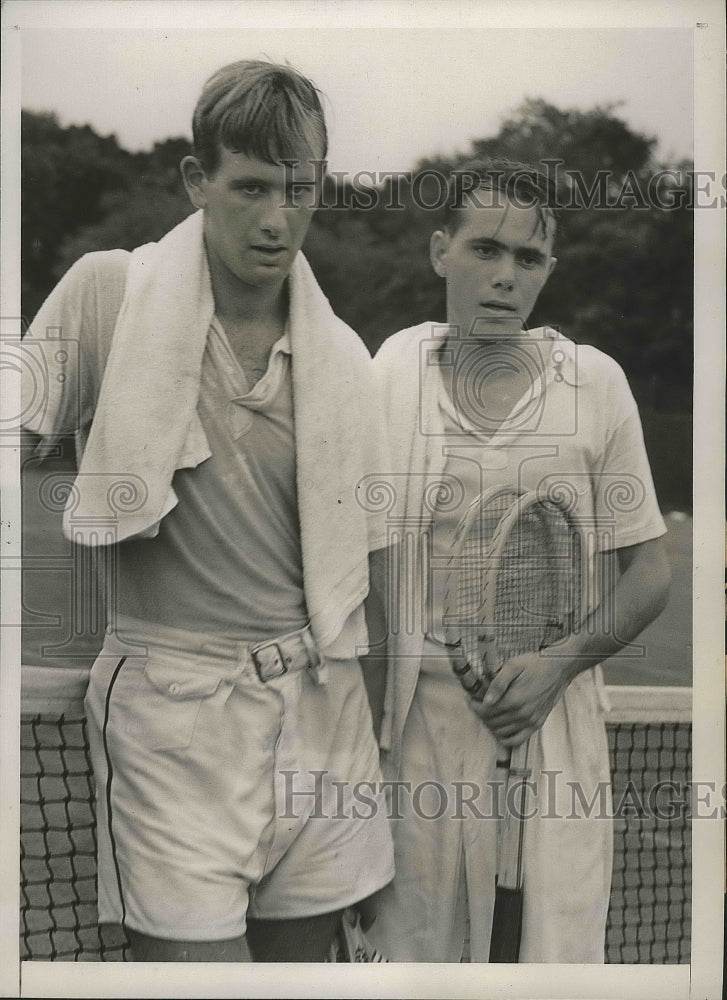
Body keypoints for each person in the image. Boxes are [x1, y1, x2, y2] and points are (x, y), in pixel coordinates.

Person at [20, 60, 394, 962]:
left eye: (298, 190)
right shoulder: (110, 292)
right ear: (198, 182)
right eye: (252, 188)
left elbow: (364, 582)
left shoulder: (343, 356)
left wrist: (365, 768)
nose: (276, 219)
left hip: (321, 713)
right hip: (171, 714)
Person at [367, 159, 670, 962]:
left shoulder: (595, 384)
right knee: (414, 970)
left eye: (527, 259)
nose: (504, 277)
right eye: (484, 250)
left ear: (548, 272)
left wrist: (552, 670)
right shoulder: (386, 378)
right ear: (441, 251)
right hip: (417, 737)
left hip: (552, 723)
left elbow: (649, 572)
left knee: (541, 964)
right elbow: (347, 575)